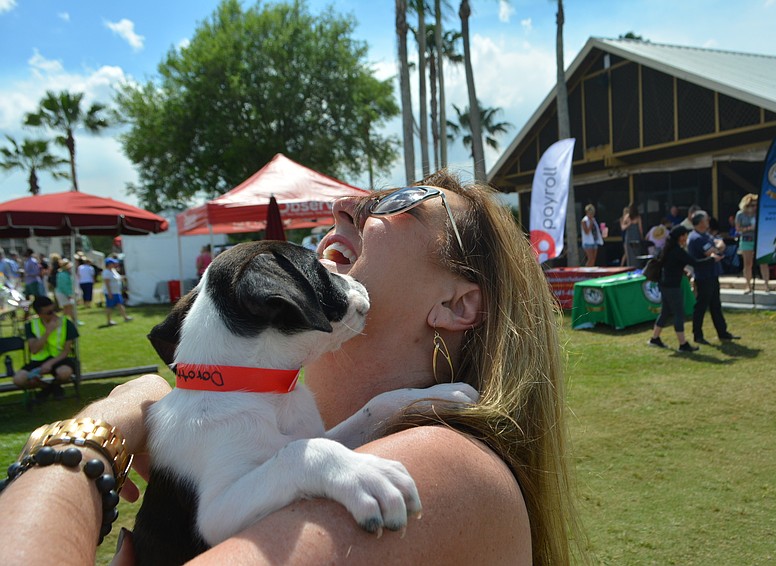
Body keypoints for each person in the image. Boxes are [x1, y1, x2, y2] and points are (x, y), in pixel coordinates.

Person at [0, 172, 583, 565]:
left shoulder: (442, 468)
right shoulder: (353, 435)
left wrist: (96, 435)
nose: (346, 203)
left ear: (457, 304)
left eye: (398, 202)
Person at [648, 226, 722, 352]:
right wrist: (712, 259)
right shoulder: (678, 251)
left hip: (664, 284)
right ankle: (683, 344)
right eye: (685, 235)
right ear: (681, 237)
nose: (686, 237)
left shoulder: (667, 248)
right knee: (678, 314)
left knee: (665, 312)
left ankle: (655, 338)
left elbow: (670, 264)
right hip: (672, 286)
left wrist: (682, 270)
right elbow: (695, 263)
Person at [11, 295, 79, 400]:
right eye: (49, 312)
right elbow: (34, 350)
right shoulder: (31, 325)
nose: (54, 314)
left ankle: (51, 388)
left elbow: (66, 351)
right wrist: (47, 332)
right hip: (38, 361)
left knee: (64, 373)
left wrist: (50, 363)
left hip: (60, 359)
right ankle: (48, 387)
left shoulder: (66, 323)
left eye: (54, 310)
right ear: (39, 314)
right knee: (18, 380)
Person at [687, 211, 740, 345]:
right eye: (706, 220)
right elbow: (713, 251)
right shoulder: (696, 238)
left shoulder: (705, 235)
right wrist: (719, 246)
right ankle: (697, 335)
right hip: (704, 276)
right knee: (701, 306)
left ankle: (722, 332)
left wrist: (719, 245)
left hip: (712, 274)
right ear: (699, 223)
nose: (709, 221)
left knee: (716, 305)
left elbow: (719, 243)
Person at [735, 193, 770, 293]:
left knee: (763, 262)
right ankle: (748, 286)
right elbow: (738, 229)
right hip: (746, 240)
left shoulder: (759, 213)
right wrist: (749, 228)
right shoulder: (740, 214)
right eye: (752, 205)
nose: (754, 207)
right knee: (748, 264)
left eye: (756, 205)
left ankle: (767, 285)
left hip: (760, 240)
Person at [103, 257, 133, 325]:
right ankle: (109, 321)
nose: (114, 264)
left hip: (116, 292)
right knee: (109, 306)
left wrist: (124, 277)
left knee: (120, 304)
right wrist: (110, 293)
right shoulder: (106, 272)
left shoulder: (113, 270)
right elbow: (107, 283)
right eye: (113, 263)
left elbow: (118, 277)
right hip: (110, 292)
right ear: (109, 264)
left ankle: (125, 317)